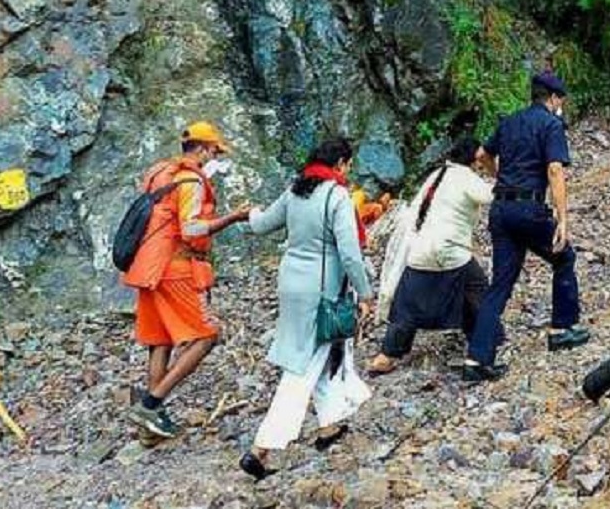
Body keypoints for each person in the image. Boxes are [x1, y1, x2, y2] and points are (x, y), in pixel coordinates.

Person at [239, 138, 375, 481]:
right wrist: (366, 293)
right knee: (303, 365)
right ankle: (260, 449)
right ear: (341, 164)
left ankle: (329, 426)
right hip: (321, 289)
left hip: (291, 284)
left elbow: (260, 224)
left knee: (322, 351)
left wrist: (245, 212)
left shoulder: (295, 191)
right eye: (348, 165)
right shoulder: (337, 196)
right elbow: (349, 253)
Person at [124, 121, 250, 438]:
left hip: (150, 267)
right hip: (175, 268)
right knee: (207, 335)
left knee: (161, 340)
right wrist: (234, 217)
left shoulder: (160, 175)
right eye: (214, 151)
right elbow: (191, 229)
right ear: (202, 148)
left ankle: (150, 429)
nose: (214, 157)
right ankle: (150, 405)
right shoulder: (190, 180)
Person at [463, 71, 590, 383]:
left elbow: (482, 154)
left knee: (500, 284)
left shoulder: (509, 122)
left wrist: (500, 176)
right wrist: (563, 219)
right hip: (528, 209)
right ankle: (561, 329)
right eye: (561, 101)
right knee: (563, 256)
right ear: (554, 99)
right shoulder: (551, 124)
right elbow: (555, 169)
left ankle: (476, 359)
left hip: (501, 210)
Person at [366, 137, 494, 375]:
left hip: (420, 248)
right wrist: (498, 169)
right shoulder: (465, 178)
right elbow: (490, 195)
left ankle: (387, 354)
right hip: (449, 249)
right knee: (477, 289)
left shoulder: (438, 174)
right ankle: (485, 338)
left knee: (407, 305)